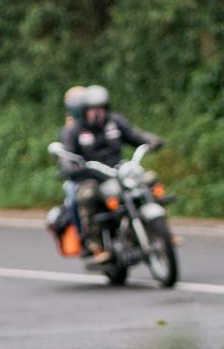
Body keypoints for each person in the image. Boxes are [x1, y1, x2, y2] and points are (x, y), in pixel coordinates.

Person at [57, 84, 162, 262]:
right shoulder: (74, 130)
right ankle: (95, 245)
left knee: (149, 180)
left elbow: (135, 135)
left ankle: (160, 230)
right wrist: (70, 166)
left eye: (101, 108)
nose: (97, 113)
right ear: (84, 110)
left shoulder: (115, 122)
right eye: (92, 109)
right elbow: (66, 155)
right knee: (87, 195)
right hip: (92, 176)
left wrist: (151, 141)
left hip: (118, 170)